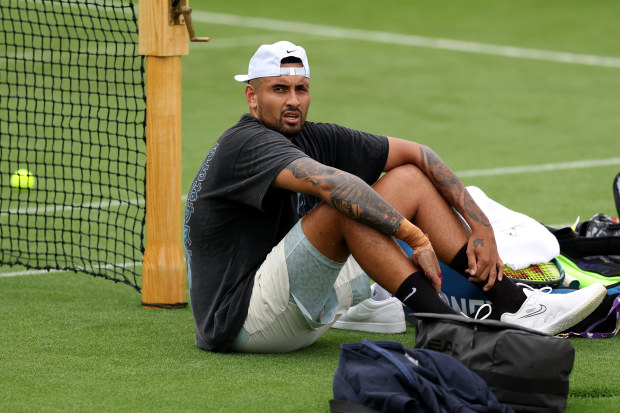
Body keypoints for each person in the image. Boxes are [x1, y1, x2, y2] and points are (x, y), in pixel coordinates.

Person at [184, 41, 606, 353]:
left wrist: (481, 225)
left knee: (407, 177)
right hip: (242, 323)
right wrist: (416, 238)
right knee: (348, 200)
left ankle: (510, 304)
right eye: (279, 89)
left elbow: (420, 154)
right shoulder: (247, 142)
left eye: (301, 88)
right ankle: (443, 326)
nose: (293, 101)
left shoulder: (311, 135)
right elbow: (337, 188)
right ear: (252, 97)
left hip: (293, 301)